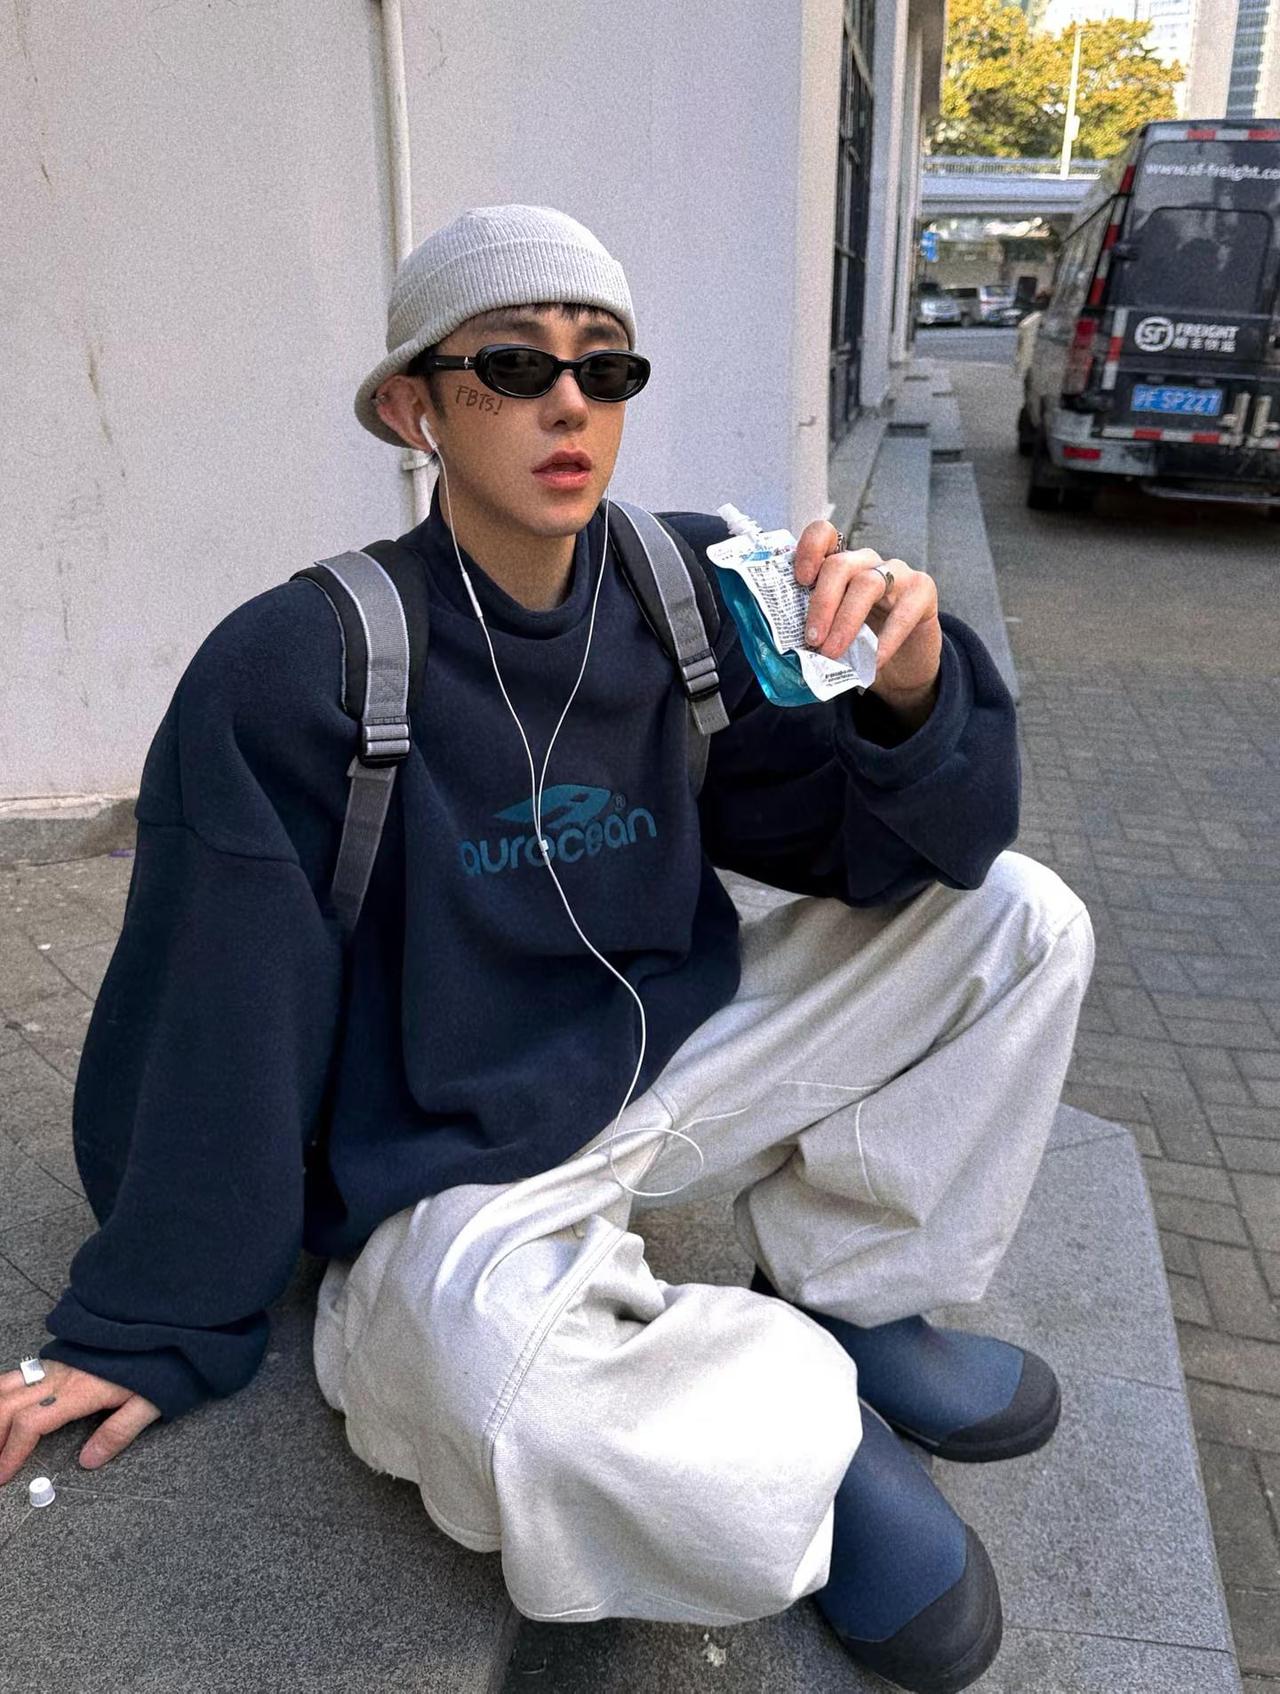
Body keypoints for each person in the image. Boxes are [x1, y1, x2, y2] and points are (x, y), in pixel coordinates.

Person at [0, 204, 1093, 1692]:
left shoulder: (693, 590)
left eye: (605, 366)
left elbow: (896, 850)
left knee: (1022, 921)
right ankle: (816, 1434)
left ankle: (852, 1289)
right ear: (418, 408)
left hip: (672, 1059)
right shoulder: (300, 665)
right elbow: (219, 1009)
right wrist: (152, 1316)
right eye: (513, 365)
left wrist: (909, 694)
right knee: (505, 1405)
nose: (568, 402)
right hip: (447, 1161)